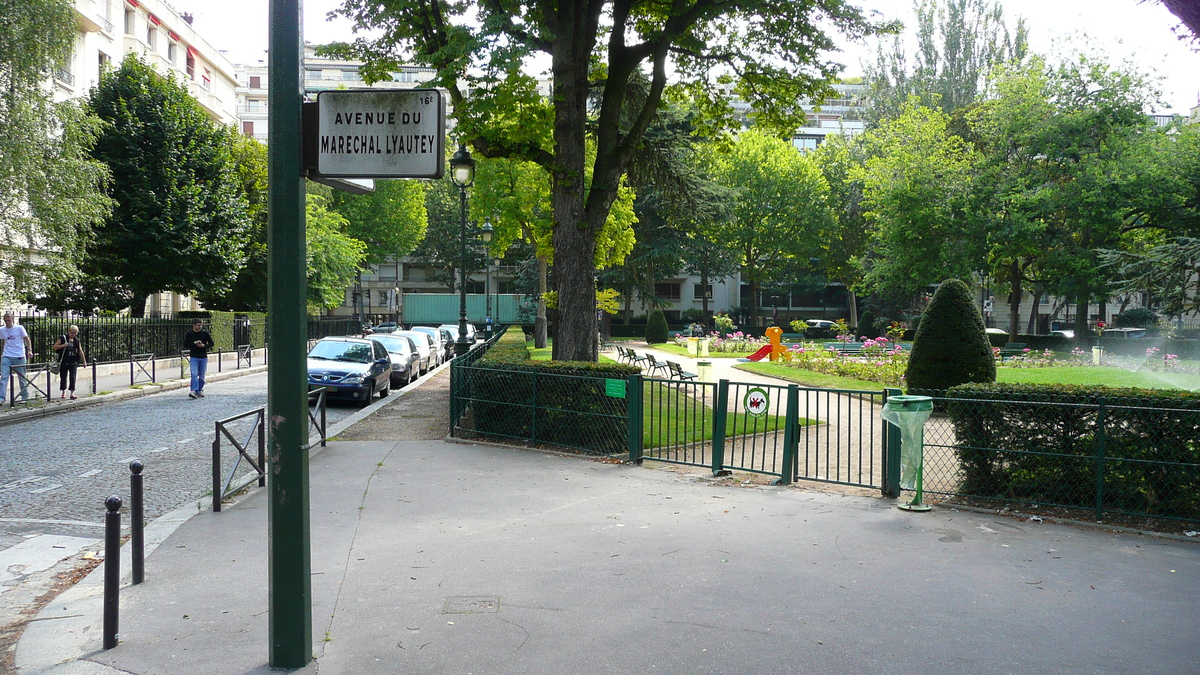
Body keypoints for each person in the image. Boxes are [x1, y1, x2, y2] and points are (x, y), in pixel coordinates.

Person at [1, 311, 34, 405]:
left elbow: (27, 339)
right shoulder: (2, 330)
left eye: (9, 321)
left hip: (19, 355)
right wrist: (2, 352)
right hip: (7, 355)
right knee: (4, 377)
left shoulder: (19, 328)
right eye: (6, 321)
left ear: (13, 320)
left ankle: (24, 396)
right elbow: (4, 341)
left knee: (22, 378)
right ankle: (1, 398)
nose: (7, 323)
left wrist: (29, 350)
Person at [53, 325, 87, 400]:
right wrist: (63, 345)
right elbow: (55, 346)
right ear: (68, 331)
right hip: (63, 361)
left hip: (73, 361)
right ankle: (63, 392)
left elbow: (80, 351)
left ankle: (72, 393)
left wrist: (84, 361)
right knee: (63, 377)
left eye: (75, 333)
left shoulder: (76, 340)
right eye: (72, 333)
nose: (73, 334)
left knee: (73, 377)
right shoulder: (62, 338)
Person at [183, 319, 215, 399]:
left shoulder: (205, 333)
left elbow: (211, 343)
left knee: (201, 376)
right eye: (198, 325)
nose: (200, 327)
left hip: (203, 357)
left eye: (201, 325)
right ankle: (194, 390)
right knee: (194, 373)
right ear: (194, 325)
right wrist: (194, 343)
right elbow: (185, 344)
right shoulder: (189, 334)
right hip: (194, 356)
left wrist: (204, 346)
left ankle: (200, 390)